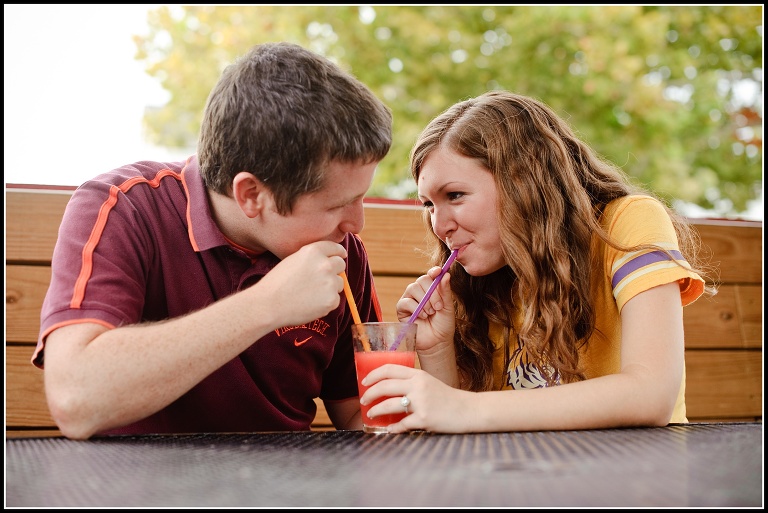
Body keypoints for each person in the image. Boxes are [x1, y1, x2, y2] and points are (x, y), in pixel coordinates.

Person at [34, 42, 393, 439]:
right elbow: (75, 398)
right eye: (337, 205)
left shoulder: (339, 251)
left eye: (360, 198)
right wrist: (267, 304)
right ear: (251, 195)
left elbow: (363, 417)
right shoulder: (123, 208)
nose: (356, 224)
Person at [359, 90, 713, 433]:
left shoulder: (626, 224)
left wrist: (461, 407)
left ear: (523, 182)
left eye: (455, 195)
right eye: (429, 204)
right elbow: (464, 431)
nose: (439, 224)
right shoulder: (481, 282)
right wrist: (437, 350)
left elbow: (651, 395)